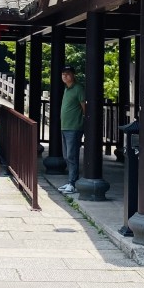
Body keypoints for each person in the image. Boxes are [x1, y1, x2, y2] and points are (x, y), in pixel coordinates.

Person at [58, 65, 85, 195]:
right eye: (63, 74)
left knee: (71, 155)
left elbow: (84, 107)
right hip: (65, 126)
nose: (65, 76)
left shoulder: (78, 88)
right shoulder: (66, 89)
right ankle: (70, 181)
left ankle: (73, 183)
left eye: (68, 73)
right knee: (66, 156)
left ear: (73, 75)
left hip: (74, 127)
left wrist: (83, 122)